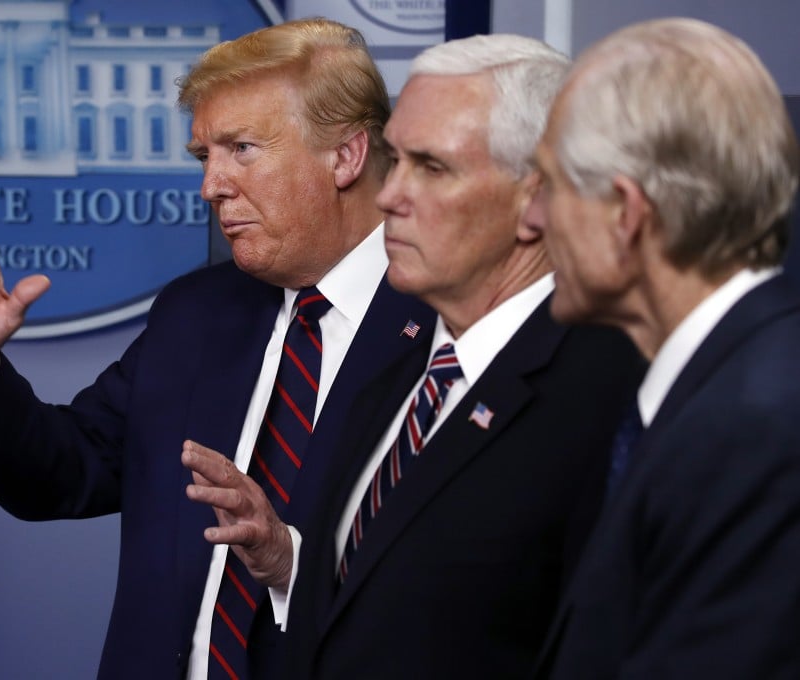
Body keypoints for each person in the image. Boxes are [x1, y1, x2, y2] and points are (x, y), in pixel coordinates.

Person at [0, 18, 435, 680]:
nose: (212, 185)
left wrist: (291, 560)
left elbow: (471, 591)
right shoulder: (198, 313)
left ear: (346, 157)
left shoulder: (449, 324)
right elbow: (69, 470)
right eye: (203, 157)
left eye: (242, 149)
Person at [184, 34, 643, 680]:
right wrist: (291, 566)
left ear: (536, 199)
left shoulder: (615, 393)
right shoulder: (403, 376)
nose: (390, 195)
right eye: (395, 161)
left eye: (430, 167)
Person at [529, 17, 800, 679]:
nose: (531, 219)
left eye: (549, 186)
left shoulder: (759, 430)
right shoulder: (726, 392)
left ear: (626, 214)